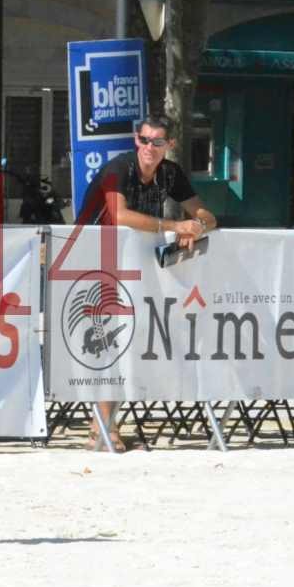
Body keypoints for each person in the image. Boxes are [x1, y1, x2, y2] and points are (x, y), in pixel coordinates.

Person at [87, 112, 218, 452]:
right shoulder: (120, 169)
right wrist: (177, 227)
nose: (149, 147)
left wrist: (197, 228)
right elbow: (120, 216)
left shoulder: (170, 173)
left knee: (131, 337)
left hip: (132, 263)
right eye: (144, 140)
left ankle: (103, 423)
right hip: (91, 259)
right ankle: (102, 428)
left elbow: (206, 214)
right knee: (111, 341)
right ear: (136, 140)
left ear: (168, 145)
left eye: (157, 142)